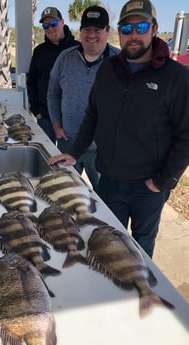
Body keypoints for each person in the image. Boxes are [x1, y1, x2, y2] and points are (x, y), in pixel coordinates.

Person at [48, 0, 189, 258]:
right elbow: (93, 113)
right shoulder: (109, 69)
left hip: (148, 186)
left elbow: (185, 136)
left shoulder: (176, 77)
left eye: (141, 26)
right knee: (105, 241)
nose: (133, 35)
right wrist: (76, 152)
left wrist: (162, 182)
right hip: (110, 181)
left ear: (154, 29)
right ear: (119, 31)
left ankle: (140, 294)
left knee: (141, 247)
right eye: (127, 29)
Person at [47, 6, 120, 192]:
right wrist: (56, 125)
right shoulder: (65, 58)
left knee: (105, 201)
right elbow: (53, 93)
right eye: (87, 29)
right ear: (80, 32)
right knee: (66, 194)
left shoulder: (120, 62)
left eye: (98, 30)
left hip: (103, 151)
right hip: (68, 142)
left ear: (108, 31)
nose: (92, 35)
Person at [27, 7, 79, 143]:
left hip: (70, 119)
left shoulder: (78, 49)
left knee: (67, 161)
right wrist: (35, 110)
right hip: (45, 117)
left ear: (62, 22)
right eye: (45, 26)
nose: (50, 28)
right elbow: (31, 81)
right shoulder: (39, 51)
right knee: (46, 159)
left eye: (53, 23)